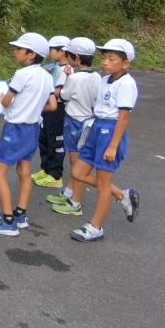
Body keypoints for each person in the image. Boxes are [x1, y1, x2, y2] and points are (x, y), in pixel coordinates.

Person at [0, 32, 57, 237]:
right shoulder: (46, 75)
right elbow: (51, 105)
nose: (15, 52)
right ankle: (20, 214)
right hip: (33, 128)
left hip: (15, 129)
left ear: (31, 54)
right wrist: (32, 107)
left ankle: (7, 221)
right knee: (24, 171)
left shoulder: (22, 74)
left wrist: (1, 96)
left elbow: (6, 101)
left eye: (19, 49)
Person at [67, 39, 140, 242]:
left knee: (102, 184)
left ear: (125, 63)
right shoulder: (105, 79)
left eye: (111, 58)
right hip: (97, 127)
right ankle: (122, 194)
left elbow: (123, 117)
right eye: (104, 58)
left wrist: (113, 145)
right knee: (78, 172)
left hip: (111, 131)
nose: (105, 62)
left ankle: (95, 227)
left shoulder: (126, 83)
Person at [47, 37, 101, 216]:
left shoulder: (75, 78)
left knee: (76, 163)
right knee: (77, 161)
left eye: (69, 55)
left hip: (74, 121)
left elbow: (63, 95)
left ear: (76, 58)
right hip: (89, 120)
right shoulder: (97, 76)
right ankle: (69, 193)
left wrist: (68, 79)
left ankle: (75, 202)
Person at [32, 35, 70, 188]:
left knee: (55, 141)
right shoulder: (54, 66)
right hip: (47, 107)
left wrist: (46, 79)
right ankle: (45, 169)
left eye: (52, 50)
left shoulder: (66, 70)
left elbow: (56, 92)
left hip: (58, 109)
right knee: (44, 139)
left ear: (62, 52)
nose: (49, 53)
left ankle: (56, 176)